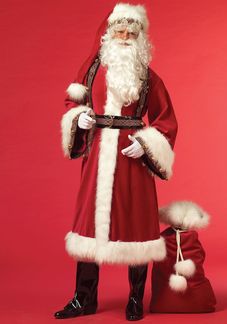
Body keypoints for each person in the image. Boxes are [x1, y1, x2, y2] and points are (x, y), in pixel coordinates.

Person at [56, 3, 178, 321]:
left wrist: (146, 144)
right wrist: (79, 117)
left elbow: (166, 121)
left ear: (140, 37)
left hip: (132, 156)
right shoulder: (91, 68)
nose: (124, 37)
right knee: (88, 226)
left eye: (131, 32)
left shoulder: (149, 77)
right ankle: (84, 298)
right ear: (109, 33)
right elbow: (73, 100)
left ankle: (136, 298)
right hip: (97, 154)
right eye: (119, 31)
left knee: (138, 224)